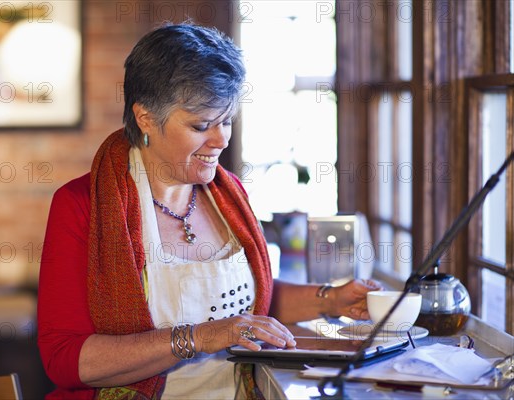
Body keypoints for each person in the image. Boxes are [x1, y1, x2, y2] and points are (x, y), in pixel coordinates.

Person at [37, 23, 382, 400]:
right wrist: (200, 337)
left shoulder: (228, 193)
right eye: (201, 125)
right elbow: (66, 360)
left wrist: (331, 299)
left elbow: (251, 300)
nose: (221, 140)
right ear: (146, 117)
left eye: (227, 121)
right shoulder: (81, 206)